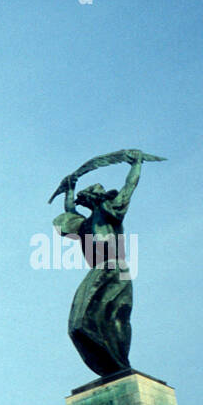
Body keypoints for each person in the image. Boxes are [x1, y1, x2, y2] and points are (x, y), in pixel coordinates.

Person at [53, 151, 144, 377]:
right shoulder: (84, 225)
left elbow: (129, 187)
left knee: (116, 317)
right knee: (79, 324)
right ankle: (112, 363)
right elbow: (70, 213)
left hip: (115, 268)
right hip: (100, 269)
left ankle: (120, 362)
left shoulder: (110, 211)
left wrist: (136, 164)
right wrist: (71, 188)